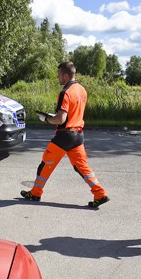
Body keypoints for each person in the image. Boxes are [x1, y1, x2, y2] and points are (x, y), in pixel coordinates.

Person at [20, 62, 110, 209]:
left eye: (59, 75)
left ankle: (35, 193)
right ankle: (100, 193)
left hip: (64, 136)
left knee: (45, 164)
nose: (58, 78)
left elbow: (61, 119)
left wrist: (47, 118)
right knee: (82, 167)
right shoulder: (82, 90)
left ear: (66, 75)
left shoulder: (65, 92)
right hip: (78, 135)